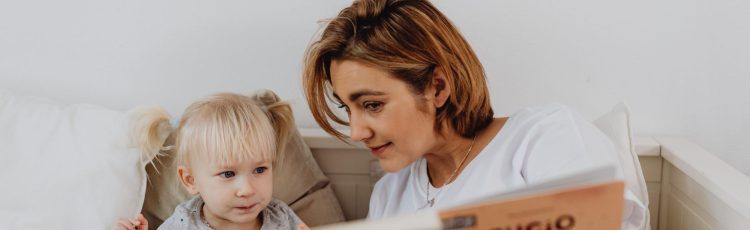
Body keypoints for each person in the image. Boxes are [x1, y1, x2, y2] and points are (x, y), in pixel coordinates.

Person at [302, 0, 646, 229]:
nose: (356, 131)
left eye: (372, 105)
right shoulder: (390, 195)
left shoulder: (544, 137)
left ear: (437, 87)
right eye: (346, 108)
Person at [112, 93, 309, 230]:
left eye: (259, 169)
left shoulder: (280, 217)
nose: (247, 190)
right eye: (228, 174)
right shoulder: (184, 223)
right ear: (191, 181)